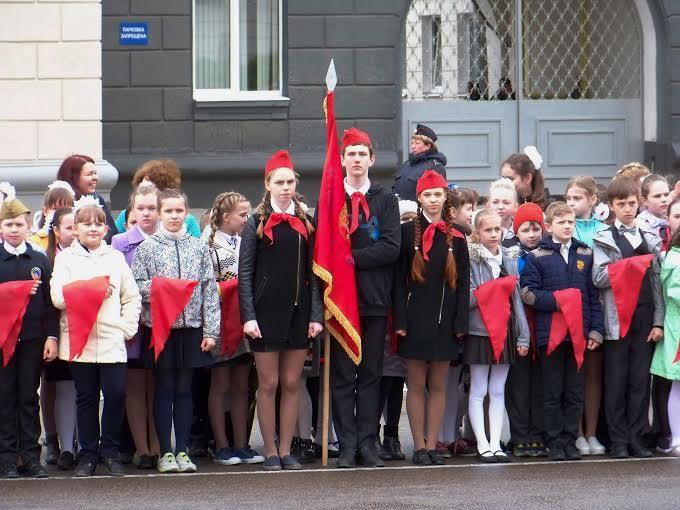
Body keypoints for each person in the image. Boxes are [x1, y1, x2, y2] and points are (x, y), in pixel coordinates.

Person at [238, 150, 323, 471]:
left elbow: (315, 274)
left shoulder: (306, 222)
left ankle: (287, 448)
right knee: (269, 383)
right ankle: (270, 450)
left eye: (290, 181)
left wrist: (316, 315)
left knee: (291, 383)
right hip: (263, 315)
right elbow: (245, 272)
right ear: (268, 184)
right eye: (279, 182)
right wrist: (248, 315)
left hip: (299, 314)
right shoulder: (255, 224)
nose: (285, 187)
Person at [50, 197, 141, 477]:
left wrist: (126, 327)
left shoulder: (114, 258)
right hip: (81, 340)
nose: (93, 228)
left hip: (112, 339)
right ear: (75, 229)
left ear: (105, 230)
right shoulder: (65, 259)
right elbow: (57, 297)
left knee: (116, 394)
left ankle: (110, 451)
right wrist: (93, 289)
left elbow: (132, 296)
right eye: (86, 223)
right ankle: (88, 455)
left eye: (99, 224)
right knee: (87, 398)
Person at [132, 189, 220, 474]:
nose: (173, 216)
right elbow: (137, 286)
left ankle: (182, 450)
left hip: (191, 328)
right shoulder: (147, 248)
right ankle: (165, 452)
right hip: (161, 329)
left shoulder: (198, 247)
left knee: (185, 390)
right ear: (159, 213)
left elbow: (209, 290)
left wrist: (211, 331)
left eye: (179, 211)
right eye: (168, 211)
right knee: (164, 389)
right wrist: (165, 290)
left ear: (187, 213)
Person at [330, 128, 400, 469]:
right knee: (343, 376)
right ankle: (345, 445)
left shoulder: (385, 200)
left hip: (373, 300)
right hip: (340, 303)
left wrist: (352, 260)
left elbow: (391, 246)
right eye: (350, 154)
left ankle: (368, 443)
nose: (356, 160)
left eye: (362, 154)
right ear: (342, 160)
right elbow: (326, 248)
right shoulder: (332, 197)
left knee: (371, 373)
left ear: (371, 160)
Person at [393, 170, 470, 465]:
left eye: (438, 194)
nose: (433, 200)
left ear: (445, 197)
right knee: (415, 383)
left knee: (438, 385)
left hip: (446, 322)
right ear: (419, 198)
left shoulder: (458, 239)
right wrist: (400, 321)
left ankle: (433, 442)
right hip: (414, 323)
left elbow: (463, 284)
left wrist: (460, 322)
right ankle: (419, 446)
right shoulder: (405, 234)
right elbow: (398, 283)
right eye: (427, 195)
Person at [521, 201, 604, 461]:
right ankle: (555, 441)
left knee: (574, 391)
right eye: (561, 222)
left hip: (579, 335)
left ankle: (571, 440)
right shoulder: (537, 256)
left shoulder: (585, 254)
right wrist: (559, 301)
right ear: (549, 226)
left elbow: (592, 296)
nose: (567, 226)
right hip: (551, 335)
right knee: (552, 390)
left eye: (571, 222)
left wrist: (596, 331)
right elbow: (528, 294)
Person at [592, 178, 665, 459]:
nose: (627, 209)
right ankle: (618, 440)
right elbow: (598, 277)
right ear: (611, 206)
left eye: (632, 203)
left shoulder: (649, 238)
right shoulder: (605, 237)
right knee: (616, 381)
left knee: (639, 381)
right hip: (617, 318)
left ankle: (637, 437)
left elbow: (656, 282)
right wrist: (629, 266)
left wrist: (658, 321)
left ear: (639, 203)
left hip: (645, 316)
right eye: (621, 204)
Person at [0, 197, 59, 479]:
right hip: (2, 343)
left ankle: (32, 457)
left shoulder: (37, 260)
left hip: (33, 338)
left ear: (27, 226)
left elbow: (50, 303)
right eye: (8, 224)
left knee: (28, 397)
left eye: (19, 224)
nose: (14, 229)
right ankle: (7, 459)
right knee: (5, 397)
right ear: (1, 228)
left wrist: (52, 337)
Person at [465, 209, 529, 463]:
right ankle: (482, 443)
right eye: (488, 230)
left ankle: (495, 442)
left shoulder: (510, 259)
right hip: (479, 331)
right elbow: (468, 298)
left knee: (498, 389)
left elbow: (517, 301)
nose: (494, 234)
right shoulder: (471, 260)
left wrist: (523, 337)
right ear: (477, 233)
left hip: (505, 331)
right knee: (479, 388)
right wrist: (493, 288)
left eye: (497, 229)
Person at [205, 191, 264, 466]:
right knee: (221, 384)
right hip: (219, 323)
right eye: (242, 215)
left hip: (244, 321)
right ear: (226, 217)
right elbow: (207, 286)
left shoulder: (246, 241)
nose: (247, 219)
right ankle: (221, 445)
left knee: (242, 385)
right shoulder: (208, 245)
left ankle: (242, 444)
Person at [111, 185, 161, 469]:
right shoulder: (119, 242)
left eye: (152, 208)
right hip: (131, 325)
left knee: (157, 385)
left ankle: (157, 445)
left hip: (161, 323)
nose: (146, 213)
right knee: (134, 386)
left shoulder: (168, 240)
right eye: (141, 208)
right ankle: (141, 448)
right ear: (132, 211)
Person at [563, 176, 608, 456]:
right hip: (571, 309)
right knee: (574, 375)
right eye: (568, 198)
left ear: (593, 199)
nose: (571, 204)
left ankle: (592, 433)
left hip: (598, 307)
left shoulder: (605, 230)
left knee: (593, 375)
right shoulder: (566, 229)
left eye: (577, 198)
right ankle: (577, 433)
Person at [504, 202, 547, 458]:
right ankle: (519, 435)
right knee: (518, 384)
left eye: (535, 228)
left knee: (540, 383)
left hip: (541, 323)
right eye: (525, 229)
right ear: (516, 232)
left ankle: (537, 434)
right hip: (519, 325)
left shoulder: (548, 252)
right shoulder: (510, 255)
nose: (531, 234)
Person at [43, 207, 79, 470]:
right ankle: (65, 446)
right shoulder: (47, 260)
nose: (75, 231)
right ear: (55, 231)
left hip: (87, 333)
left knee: (84, 390)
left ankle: (83, 441)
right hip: (59, 332)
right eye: (69, 227)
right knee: (63, 386)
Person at [115, 159, 201, 237]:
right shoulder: (126, 215)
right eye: (141, 184)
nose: (144, 189)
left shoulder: (187, 220)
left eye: (150, 186)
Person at [651, 229, 680, 457]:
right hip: (676, 327)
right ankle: (676, 436)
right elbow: (674, 292)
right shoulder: (674, 259)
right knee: (677, 385)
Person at [56, 155, 118, 242]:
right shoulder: (59, 202)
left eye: (95, 173)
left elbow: (112, 235)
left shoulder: (98, 200)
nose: (95, 178)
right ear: (73, 177)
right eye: (89, 174)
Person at [393, 124, 447, 201]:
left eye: (417, 143)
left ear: (428, 146)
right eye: (412, 143)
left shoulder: (435, 167)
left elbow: (437, 198)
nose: (413, 146)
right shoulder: (407, 164)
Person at [30, 181, 75, 251]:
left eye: (66, 209)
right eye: (55, 209)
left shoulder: (79, 238)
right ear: (45, 211)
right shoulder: (36, 242)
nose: (60, 213)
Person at [636, 174, 671, 250]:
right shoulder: (638, 226)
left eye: (666, 194)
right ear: (645, 201)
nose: (664, 199)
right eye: (657, 196)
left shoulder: (676, 217)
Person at [489, 178, 519, 247]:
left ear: (515, 207)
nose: (500, 207)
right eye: (495, 202)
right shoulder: (482, 234)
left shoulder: (522, 231)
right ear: (488, 205)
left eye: (506, 202)